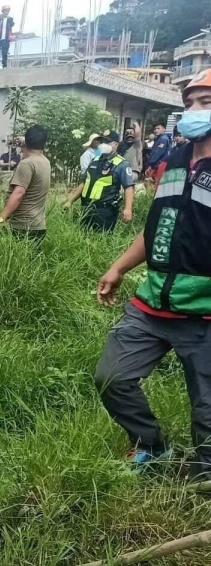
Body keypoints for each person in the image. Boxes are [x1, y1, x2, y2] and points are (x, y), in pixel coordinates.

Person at [92, 70, 211, 488]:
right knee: (112, 377)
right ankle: (151, 446)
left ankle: (204, 477)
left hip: (204, 312)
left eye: (206, 102)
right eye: (190, 102)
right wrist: (120, 267)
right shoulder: (175, 161)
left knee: (208, 409)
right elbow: (159, 226)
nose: (194, 111)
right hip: (154, 300)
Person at [63, 130, 135, 232]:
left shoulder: (121, 164)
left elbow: (128, 187)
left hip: (105, 211)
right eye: (102, 142)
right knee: (83, 239)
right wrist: (70, 201)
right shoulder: (95, 160)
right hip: (86, 208)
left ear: (116, 144)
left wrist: (128, 209)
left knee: (101, 240)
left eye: (107, 142)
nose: (103, 145)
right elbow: (84, 182)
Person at [0, 124, 51, 240]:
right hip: (38, 226)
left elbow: (18, 194)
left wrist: (1, 219)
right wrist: (26, 140)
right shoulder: (45, 162)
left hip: (22, 227)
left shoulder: (26, 164)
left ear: (27, 142)